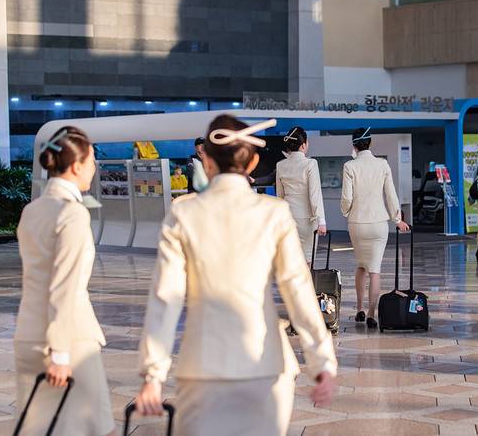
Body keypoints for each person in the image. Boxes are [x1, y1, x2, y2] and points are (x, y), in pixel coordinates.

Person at [134, 115, 337, 435]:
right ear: (253, 161)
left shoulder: (182, 212)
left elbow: (166, 296)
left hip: (201, 366)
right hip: (266, 364)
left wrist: (152, 375)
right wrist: (321, 360)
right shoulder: (273, 213)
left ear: (207, 160)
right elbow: (297, 287)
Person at [15, 126, 115, 436]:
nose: (94, 167)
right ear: (76, 166)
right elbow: (65, 285)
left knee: (39, 430)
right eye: (92, 160)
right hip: (70, 342)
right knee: (98, 428)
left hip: (28, 337)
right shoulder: (72, 214)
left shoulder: (31, 211)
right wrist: (59, 352)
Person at [341, 127, 410, 329]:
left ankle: (359, 309)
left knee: (361, 265)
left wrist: (346, 211)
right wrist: (397, 219)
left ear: (354, 145)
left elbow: (347, 197)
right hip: (379, 222)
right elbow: (391, 194)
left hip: (357, 223)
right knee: (375, 270)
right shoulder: (382, 164)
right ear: (371, 144)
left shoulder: (349, 166)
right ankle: (372, 314)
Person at [276, 126, 326, 267]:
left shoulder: (280, 165)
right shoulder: (310, 164)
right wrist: (321, 219)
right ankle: (304, 288)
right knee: (307, 261)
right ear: (303, 145)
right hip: (307, 219)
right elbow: (314, 193)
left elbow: (280, 195)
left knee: (289, 259)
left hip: (287, 217)